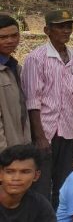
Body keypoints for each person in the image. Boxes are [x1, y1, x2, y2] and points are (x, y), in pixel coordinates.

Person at [21, 9, 73, 205]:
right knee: (40, 186)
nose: (66, 31)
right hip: (46, 131)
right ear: (47, 30)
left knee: (64, 184)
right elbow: (32, 101)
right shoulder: (36, 58)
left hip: (67, 130)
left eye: (69, 26)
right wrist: (39, 137)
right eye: (60, 27)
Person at [0, 144, 55, 222]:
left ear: (36, 176)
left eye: (25, 172)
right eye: (9, 172)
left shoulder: (40, 206)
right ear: (1, 174)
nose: (16, 178)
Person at [0, 15, 28, 151]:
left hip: (18, 146)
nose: (10, 41)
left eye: (14, 35)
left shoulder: (15, 67)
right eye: (3, 37)